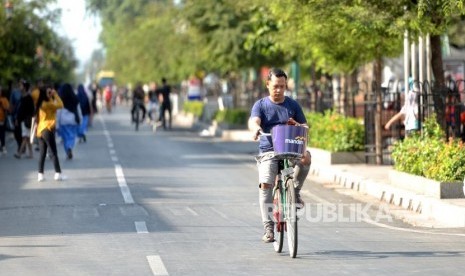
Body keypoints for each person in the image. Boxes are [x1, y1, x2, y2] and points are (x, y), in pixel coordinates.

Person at [248, 68, 311, 243]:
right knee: (266, 185)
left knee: (306, 157)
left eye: (282, 86)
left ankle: (295, 192)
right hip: (269, 150)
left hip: (290, 147)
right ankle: (268, 228)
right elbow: (254, 121)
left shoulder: (292, 105)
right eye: (276, 86)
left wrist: (297, 124)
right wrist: (256, 130)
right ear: (268, 84)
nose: (279, 90)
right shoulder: (260, 105)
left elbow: (305, 127)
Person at [35, 84, 64, 181]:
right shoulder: (48, 104)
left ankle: (40, 174)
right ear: (44, 93)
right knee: (53, 152)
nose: (50, 93)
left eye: (51, 91)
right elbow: (61, 105)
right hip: (48, 129)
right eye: (48, 92)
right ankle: (58, 173)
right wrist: (55, 94)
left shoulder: (42, 103)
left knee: (42, 153)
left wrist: (51, 96)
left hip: (40, 130)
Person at [57, 83, 81, 160]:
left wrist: (57, 123)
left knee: (65, 138)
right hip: (73, 120)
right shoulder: (75, 98)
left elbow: (58, 112)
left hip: (63, 121)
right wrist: (80, 119)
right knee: (72, 136)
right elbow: (78, 110)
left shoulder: (60, 99)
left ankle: (68, 150)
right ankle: (70, 147)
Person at [14, 80, 35, 159]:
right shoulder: (23, 97)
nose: (20, 87)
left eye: (21, 86)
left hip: (27, 120)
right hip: (24, 120)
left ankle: (19, 153)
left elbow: (29, 110)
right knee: (27, 137)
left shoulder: (28, 97)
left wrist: (19, 118)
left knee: (25, 137)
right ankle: (31, 154)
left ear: (25, 87)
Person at [0, 85, 10, 154]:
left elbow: (8, 109)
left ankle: (3, 146)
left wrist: (2, 105)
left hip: (2, 119)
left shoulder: (4, 99)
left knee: (2, 133)